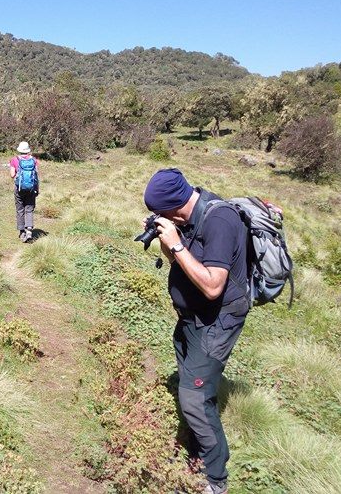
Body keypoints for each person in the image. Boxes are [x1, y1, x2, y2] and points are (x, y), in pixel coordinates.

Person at [142, 168, 249, 494]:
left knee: (193, 396)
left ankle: (214, 480)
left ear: (173, 207)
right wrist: (168, 242)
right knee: (196, 394)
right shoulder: (187, 219)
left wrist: (175, 245)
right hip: (191, 319)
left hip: (216, 322)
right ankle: (200, 454)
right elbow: (182, 264)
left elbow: (214, 286)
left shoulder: (220, 221)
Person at [9, 141, 39, 242]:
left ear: (19, 150)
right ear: (28, 150)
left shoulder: (14, 160)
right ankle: (29, 230)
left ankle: (22, 232)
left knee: (20, 209)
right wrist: (37, 189)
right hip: (31, 188)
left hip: (19, 188)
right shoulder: (33, 160)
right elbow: (36, 175)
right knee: (29, 209)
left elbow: (12, 175)